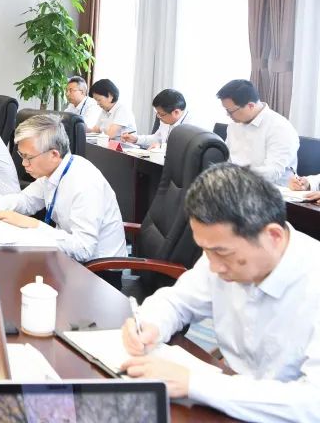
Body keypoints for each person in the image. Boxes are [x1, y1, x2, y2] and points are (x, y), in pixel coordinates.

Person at [120, 163, 320, 421]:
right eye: (205, 250)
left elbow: (313, 402)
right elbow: (177, 302)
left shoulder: (312, 280)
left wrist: (195, 383)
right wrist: (151, 323)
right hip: (228, 401)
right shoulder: (220, 254)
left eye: (222, 253)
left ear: (273, 236)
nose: (213, 266)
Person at [0, 114, 127, 263]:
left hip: (98, 270)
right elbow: (26, 200)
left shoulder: (84, 183)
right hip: (65, 257)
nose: (23, 164)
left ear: (54, 155)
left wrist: (35, 225)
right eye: (21, 156)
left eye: (28, 157)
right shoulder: (53, 172)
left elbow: (83, 249)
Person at [217, 79, 298, 185]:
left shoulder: (280, 127)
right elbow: (228, 159)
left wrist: (237, 174)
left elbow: (273, 172)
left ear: (250, 106)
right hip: (238, 185)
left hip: (272, 189)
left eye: (230, 111)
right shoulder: (234, 125)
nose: (228, 115)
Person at [121, 88, 205, 150]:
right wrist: (136, 139)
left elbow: (184, 148)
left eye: (161, 114)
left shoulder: (193, 124)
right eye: (157, 112)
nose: (158, 116)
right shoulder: (166, 119)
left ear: (176, 112)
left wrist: (161, 147)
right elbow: (157, 138)